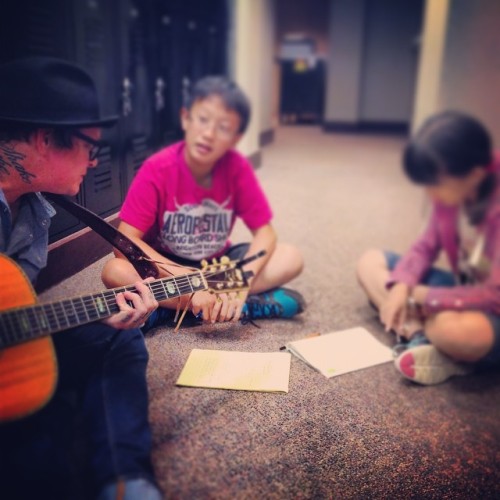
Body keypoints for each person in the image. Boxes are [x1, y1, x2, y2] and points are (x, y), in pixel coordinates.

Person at [0, 57, 162, 499]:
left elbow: (15, 311)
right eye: (90, 148)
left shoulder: (34, 209)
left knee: (118, 337)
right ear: (45, 139)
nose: (94, 162)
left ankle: (125, 481)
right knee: (39, 451)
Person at [101, 75, 304, 330]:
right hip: (166, 267)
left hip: (217, 266)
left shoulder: (237, 168)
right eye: (203, 120)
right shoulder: (156, 169)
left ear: (236, 137)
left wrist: (242, 281)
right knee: (115, 271)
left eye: (223, 127)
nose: (208, 134)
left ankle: (181, 309)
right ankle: (214, 306)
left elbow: (265, 233)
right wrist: (186, 280)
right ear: (186, 118)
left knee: (290, 257)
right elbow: (124, 244)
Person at [357, 110, 500, 386]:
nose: (429, 193)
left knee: (455, 330)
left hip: (492, 305)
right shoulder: (453, 190)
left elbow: (495, 297)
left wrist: (422, 296)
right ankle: (420, 337)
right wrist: (402, 284)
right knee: (370, 262)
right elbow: (425, 246)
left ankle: (439, 341)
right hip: (464, 288)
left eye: (435, 185)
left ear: (474, 174)